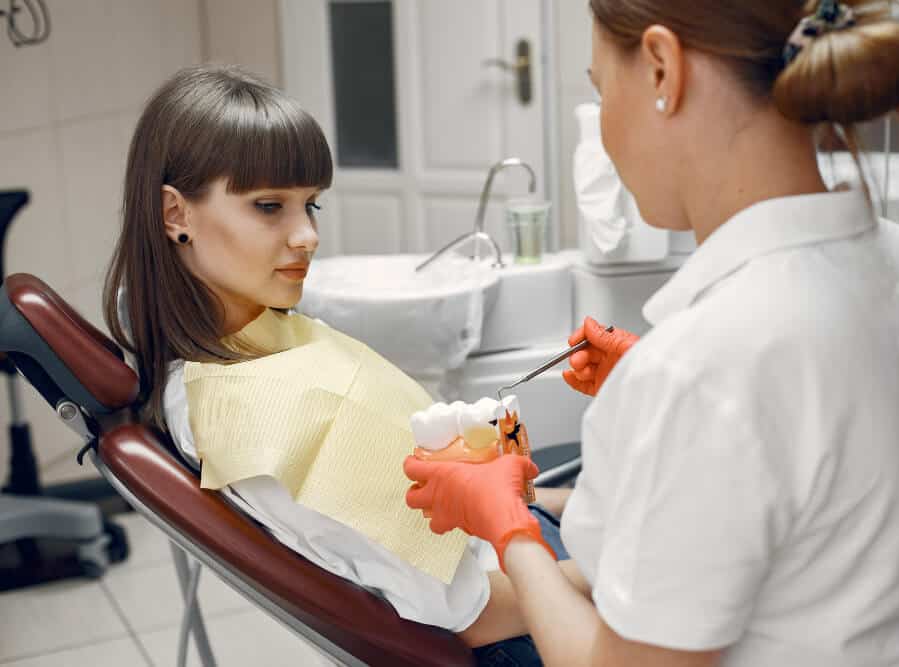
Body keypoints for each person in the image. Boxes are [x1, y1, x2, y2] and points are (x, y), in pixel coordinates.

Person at [404, 1, 899, 665]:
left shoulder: (704, 364)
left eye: (601, 90)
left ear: (660, 69)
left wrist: (506, 527)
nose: (606, 132)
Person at [101, 64, 571, 663]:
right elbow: (475, 619)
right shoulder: (252, 416)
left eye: (311, 206)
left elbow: (465, 507)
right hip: (530, 616)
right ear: (176, 215)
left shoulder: (263, 335)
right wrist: (616, 569)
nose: (307, 236)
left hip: (525, 552)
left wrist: (568, 506)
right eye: (269, 206)